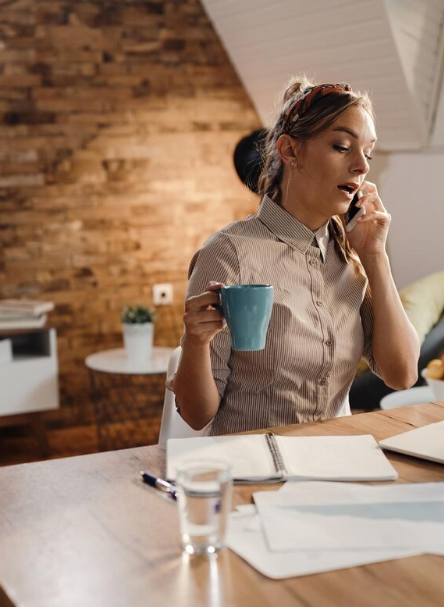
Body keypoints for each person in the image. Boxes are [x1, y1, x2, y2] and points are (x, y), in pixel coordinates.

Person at [173, 78, 420, 435]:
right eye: (341, 146)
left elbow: (403, 374)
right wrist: (195, 343)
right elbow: (197, 416)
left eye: (368, 154)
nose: (362, 166)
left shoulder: (350, 256)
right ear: (290, 152)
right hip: (256, 470)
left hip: (337, 466)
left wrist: (375, 256)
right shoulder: (228, 254)